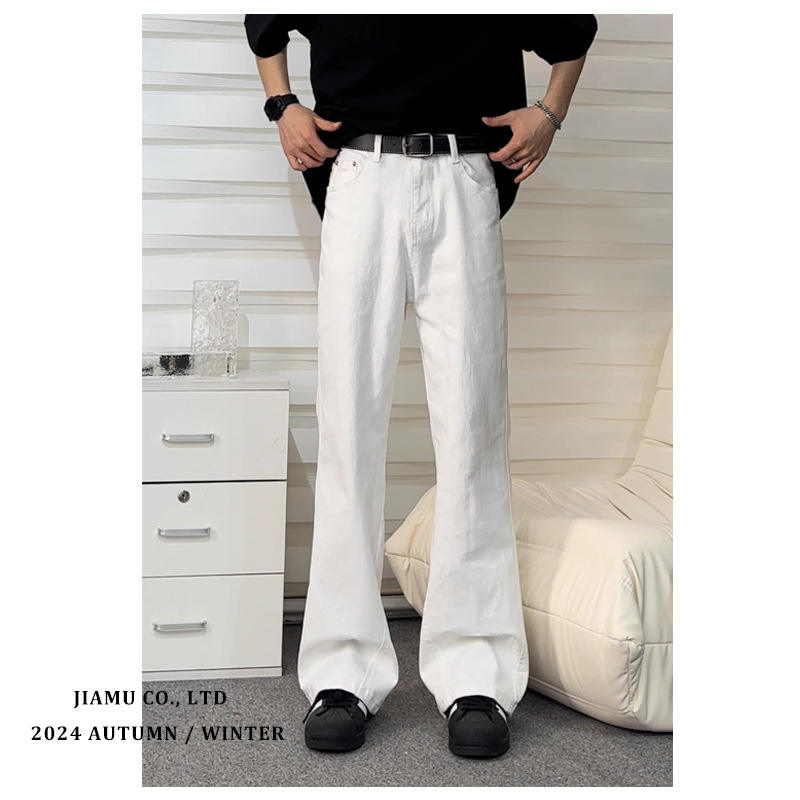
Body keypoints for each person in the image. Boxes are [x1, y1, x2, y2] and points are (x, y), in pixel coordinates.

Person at [244, 13, 597, 759]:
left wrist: (550, 112)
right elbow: (265, 24)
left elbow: (572, 32)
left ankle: (476, 674)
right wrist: (282, 105)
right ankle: (342, 671)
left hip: (463, 175)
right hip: (360, 173)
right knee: (349, 427)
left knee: (473, 430)